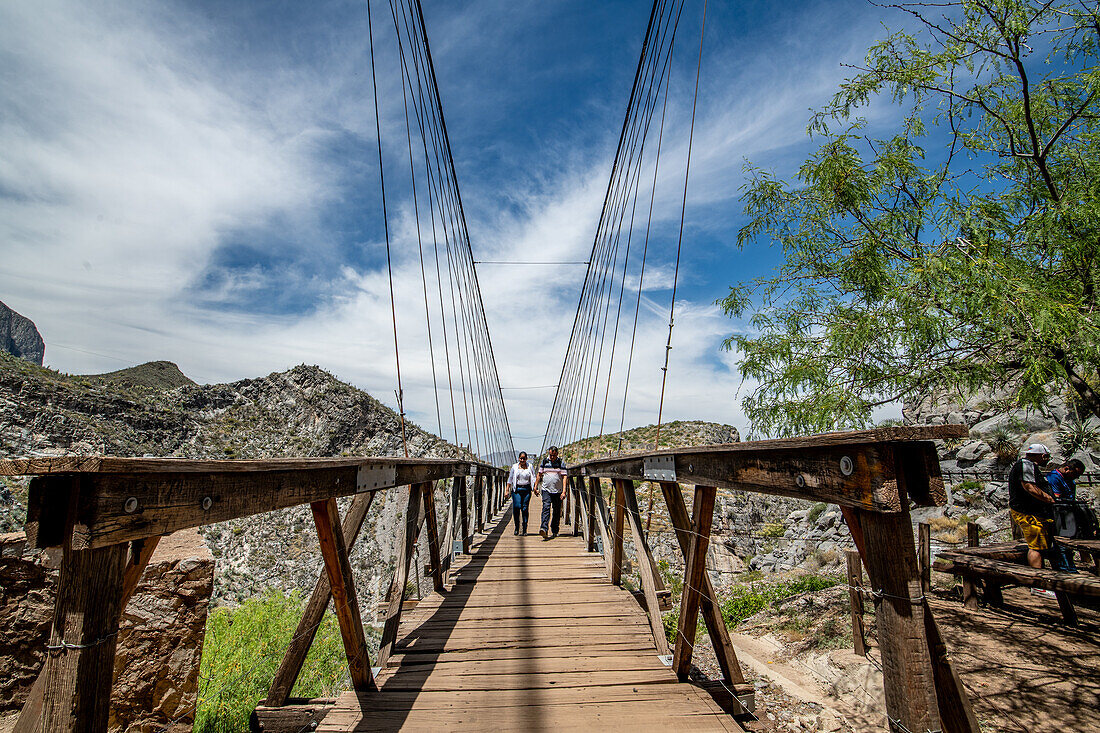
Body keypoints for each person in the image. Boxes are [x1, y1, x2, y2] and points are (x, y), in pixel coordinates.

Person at [1008, 443, 1056, 572]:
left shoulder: (1027, 465)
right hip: (1027, 512)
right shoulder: (1026, 465)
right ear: (1042, 455)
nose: (1047, 460)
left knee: (1039, 545)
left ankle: (1042, 575)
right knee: (1036, 547)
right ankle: (1038, 581)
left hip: (1032, 512)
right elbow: (1029, 487)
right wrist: (1049, 499)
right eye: (1047, 457)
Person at [1047, 458, 1086, 572]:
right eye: (1075, 473)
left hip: (1068, 512)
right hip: (1059, 513)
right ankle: (1064, 567)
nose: (1076, 477)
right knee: (1062, 541)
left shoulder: (1069, 480)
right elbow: (1056, 497)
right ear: (1067, 469)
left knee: (1069, 541)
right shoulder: (1054, 477)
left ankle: (1069, 565)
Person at [535, 446, 567, 539]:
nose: (552, 457)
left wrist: (564, 491)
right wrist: (535, 486)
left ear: (557, 454)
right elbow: (539, 474)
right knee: (546, 508)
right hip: (546, 490)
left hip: (558, 491)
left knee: (556, 511)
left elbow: (564, 477)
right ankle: (544, 528)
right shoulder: (545, 461)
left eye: (553, 455)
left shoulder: (561, 462)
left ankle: (555, 529)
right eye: (550, 455)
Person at [506, 451, 535, 536]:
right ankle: (517, 527)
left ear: (526, 459)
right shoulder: (514, 467)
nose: (522, 460)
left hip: (526, 489)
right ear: (519, 458)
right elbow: (510, 478)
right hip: (517, 490)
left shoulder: (530, 466)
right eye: (521, 458)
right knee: (517, 506)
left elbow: (533, 477)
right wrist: (507, 490)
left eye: (524, 458)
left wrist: (535, 488)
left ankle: (525, 528)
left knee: (525, 508)